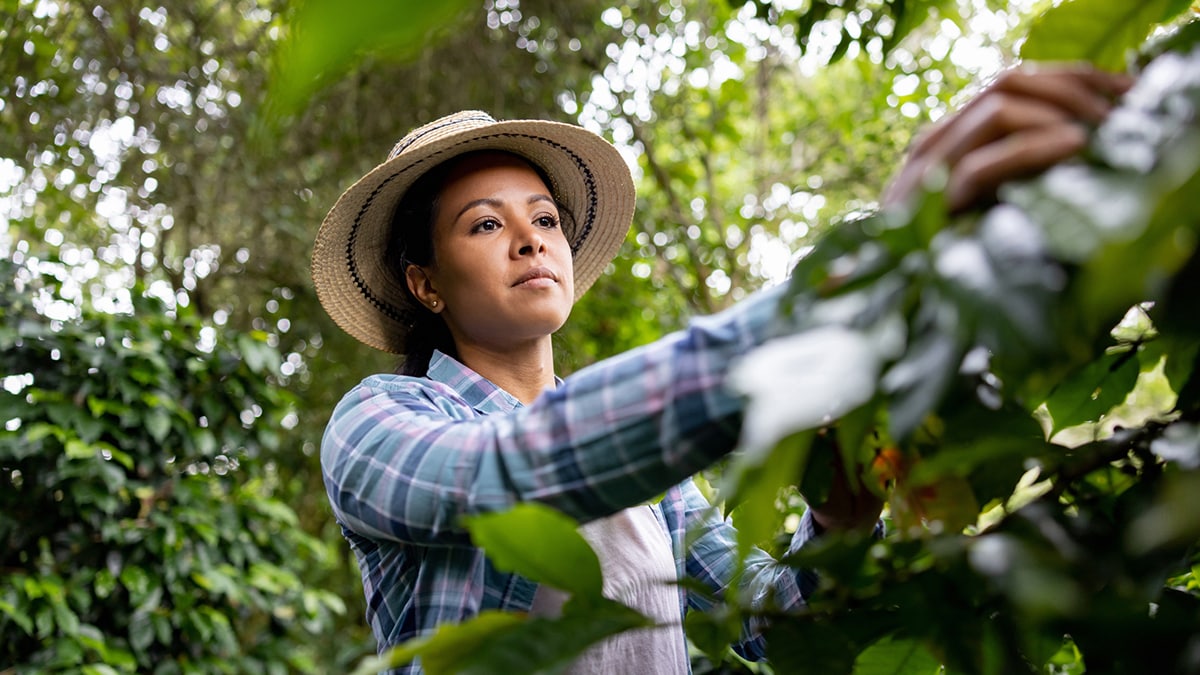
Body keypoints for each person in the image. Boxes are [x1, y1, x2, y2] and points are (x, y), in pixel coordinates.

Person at [312, 66, 1131, 673]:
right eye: (485, 224)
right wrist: (833, 302)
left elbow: (763, 621)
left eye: (547, 219)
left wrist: (841, 520)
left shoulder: (648, 478)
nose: (531, 240)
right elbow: (515, 469)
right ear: (425, 283)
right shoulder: (380, 418)